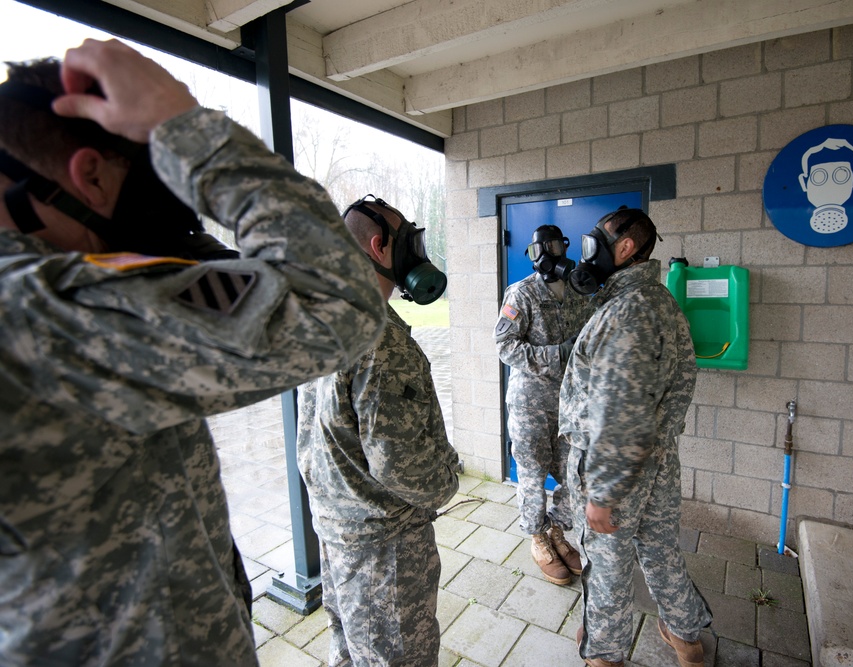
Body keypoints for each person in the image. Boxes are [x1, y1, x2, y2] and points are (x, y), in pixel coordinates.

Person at [0, 39, 386, 666]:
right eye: (143, 181)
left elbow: (227, 287)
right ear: (90, 174)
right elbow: (335, 304)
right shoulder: (37, 312)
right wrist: (189, 133)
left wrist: (159, 225)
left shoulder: (53, 302)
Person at [296, 195, 458, 667]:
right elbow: (398, 463)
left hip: (337, 529)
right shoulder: (380, 338)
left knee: (350, 652)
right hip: (383, 547)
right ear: (378, 247)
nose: (415, 252)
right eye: (408, 241)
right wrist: (445, 481)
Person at [559, 208, 712, 667]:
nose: (587, 254)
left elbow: (619, 415)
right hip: (657, 462)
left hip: (619, 468)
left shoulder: (627, 312)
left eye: (595, 244)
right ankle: (686, 638)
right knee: (661, 551)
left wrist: (603, 494)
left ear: (625, 248)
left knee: (608, 565)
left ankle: (604, 656)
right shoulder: (660, 301)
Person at [494, 224, 592, 585]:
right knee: (533, 475)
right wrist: (556, 354)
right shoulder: (521, 294)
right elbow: (504, 346)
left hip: (569, 403)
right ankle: (537, 537)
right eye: (546, 246)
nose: (553, 252)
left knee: (574, 473)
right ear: (535, 253)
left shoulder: (578, 292)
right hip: (530, 405)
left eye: (558, 244)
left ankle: (558, 532)